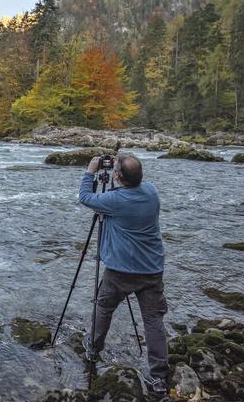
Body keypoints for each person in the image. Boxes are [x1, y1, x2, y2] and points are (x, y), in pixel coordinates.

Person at [78, 153, 168, 394]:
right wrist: (123, 162)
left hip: (121, 271)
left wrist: (90, 172)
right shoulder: (151, 192)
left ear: (116, 176)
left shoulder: (115, 200)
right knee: (153, 321)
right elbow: (130, 182)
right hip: (152, 269)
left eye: (116, 169)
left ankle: (93, 348)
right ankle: (158, 377)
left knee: (103, 306)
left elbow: (85, 197)